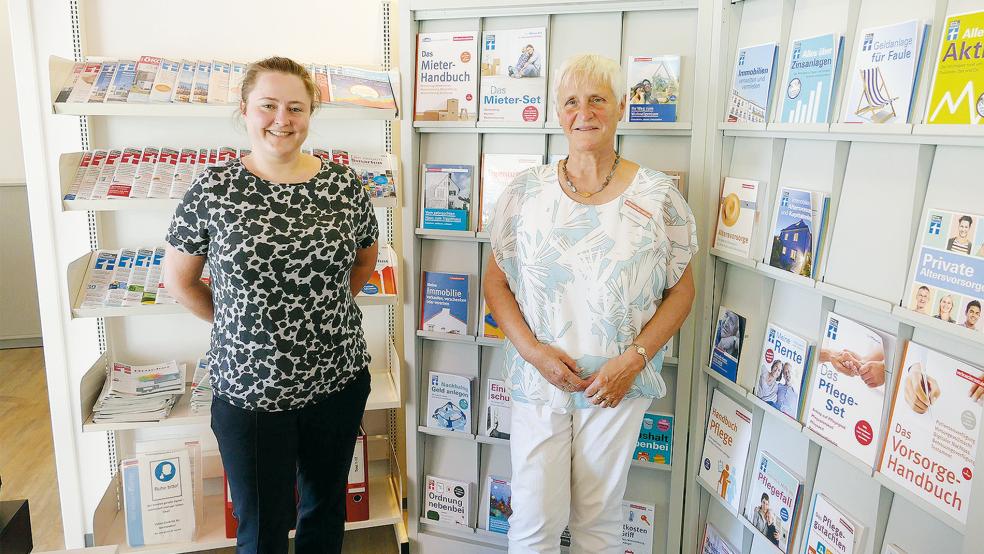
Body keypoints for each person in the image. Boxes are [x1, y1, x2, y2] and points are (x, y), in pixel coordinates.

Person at [163, 56, 378, 554]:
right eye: (269, 105)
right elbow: (181, 282)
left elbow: (363, 263)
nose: (282, 119)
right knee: (262, 524)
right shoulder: (213, 190)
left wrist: (322, 310)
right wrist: (239, 324)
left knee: (325, 508)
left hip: (336, 381)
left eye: (295, 108)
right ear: (245, 110)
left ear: (310, 114)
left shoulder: (344, 187)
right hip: (250, 394)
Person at [484, 53, 697, 553]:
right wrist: (534, 354)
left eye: (598, 99)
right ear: (558, 113)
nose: (585, 112)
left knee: (598, 520)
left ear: (622, 106)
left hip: (616, 384)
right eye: (572, 102)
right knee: (534, 520)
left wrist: (633, 360)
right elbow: (496, 283)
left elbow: (681, 292)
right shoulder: (526, 191)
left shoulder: (659, 195)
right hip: (539, 381)